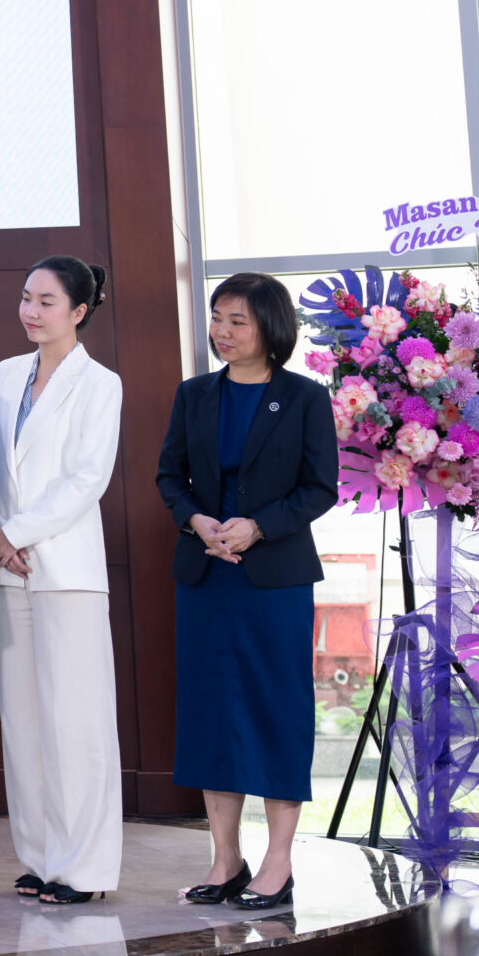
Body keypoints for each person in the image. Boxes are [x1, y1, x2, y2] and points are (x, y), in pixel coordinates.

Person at [156, 271, 338, 912]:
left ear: (270, 327)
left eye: (238, 320)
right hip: (206, 575)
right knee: (210, 713)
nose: (223, 331)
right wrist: (195, 520)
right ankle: (225, 859)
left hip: (274, 579)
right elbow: (169, 475)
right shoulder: (194, 394)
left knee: (275, 709)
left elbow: (320, 488)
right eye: (217, 317)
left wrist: (258, 526)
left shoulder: (305, 396)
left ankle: (278, 862)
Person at [0, 256, 125, 906]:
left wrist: (17, 532)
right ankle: (40, 858)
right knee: (24, 722)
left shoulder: (100, 384)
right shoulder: (6, 374)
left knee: (76, 721)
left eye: (45, 301)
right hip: (7, 567)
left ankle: (84, 868)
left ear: (79, 310)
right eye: (25, 298)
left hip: (65, 569)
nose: (31, 311)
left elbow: (87, 478)